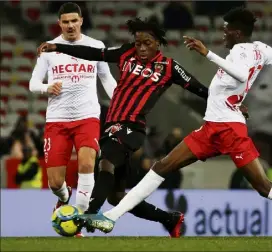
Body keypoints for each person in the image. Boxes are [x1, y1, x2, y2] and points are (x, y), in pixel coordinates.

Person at [80, 7, 272, 240]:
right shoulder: (262, 49)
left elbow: (241, 73)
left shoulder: (239, 52)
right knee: (162, 166)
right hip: (212, 126)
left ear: (235, 31)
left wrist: (207, 53)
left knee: (264, 186)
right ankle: (111, 217)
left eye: (225, 29)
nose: (222, 33)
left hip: (229, 129)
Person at [38, 17, 230, 237]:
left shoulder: (168, 67)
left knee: (106, 162)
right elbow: (95, 54)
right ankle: (170, 219)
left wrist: (230, 104)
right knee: (117, 197)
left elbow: (200, 89)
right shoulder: (126, 53)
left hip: (132, 128)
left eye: (147, 43)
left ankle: (91, 212)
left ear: (158, 43)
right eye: (138, 43)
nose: (141, 47)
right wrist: (58, 47)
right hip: (113, 125)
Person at [29, 2, 117, 237]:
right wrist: (47, 87)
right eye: (65, 22)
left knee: (87, 165)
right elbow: (33, 83)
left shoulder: (95, 46)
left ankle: (77, 218)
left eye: (73, 21)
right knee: (55, 183)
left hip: (87, 116)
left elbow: (107, 80)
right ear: (59, 23)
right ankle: (64, 199)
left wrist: (121, 106)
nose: (70, 25)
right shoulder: (49, 50)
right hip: (57, 120)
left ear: (81, 21)